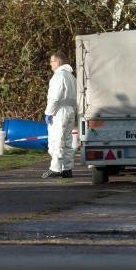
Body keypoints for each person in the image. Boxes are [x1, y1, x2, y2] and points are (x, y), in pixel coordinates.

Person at [42, 51, 77, 179]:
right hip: (70, 110)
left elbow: (54, 97)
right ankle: (67, 168)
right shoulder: (72, 77)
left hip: (59, 111)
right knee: (67, 141)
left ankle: (55, 168)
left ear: (58, 62)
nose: (50, 64)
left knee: (56, 140)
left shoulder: (58, 76)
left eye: (52, 61)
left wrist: (48, 112)